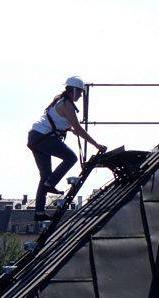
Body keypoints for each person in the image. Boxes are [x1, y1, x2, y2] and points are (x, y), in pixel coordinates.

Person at [27, 76, 107, 221]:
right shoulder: (67, 105)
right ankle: (50, 183)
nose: (81, 96)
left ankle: (39, 212)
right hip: (43, 138)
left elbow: (58, 121)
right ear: (74, 90)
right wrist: (96, 145)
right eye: (80, 92)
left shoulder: (60, 100)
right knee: (71, 158)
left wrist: (70, 129)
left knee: (45, 175)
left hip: (36, 137)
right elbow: (78, 128)